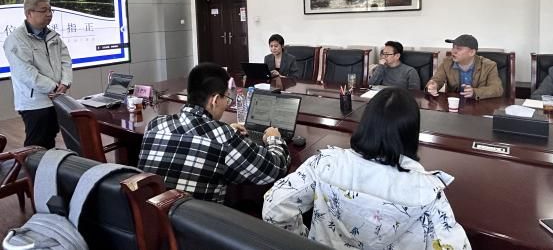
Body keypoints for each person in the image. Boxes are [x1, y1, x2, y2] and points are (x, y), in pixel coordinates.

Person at [262, 88, 470, 249]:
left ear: (365, 123)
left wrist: (303, 240)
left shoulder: (326, 163)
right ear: (411, 134)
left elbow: (274, 207)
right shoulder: (426, 190)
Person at [138, 62, 290, 203]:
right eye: (227, 98)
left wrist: (222, 130)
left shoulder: (155, 125)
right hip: (200, 222)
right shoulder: (225, 138)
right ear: (215, 100)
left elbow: (193, 136)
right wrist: (274, 139)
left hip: (152, 218)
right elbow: (275, 169)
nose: (227, 103)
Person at [3, 0, 72, 148]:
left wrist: (65, 82)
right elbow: (25, 73)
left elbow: (66, 60)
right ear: (29, 13)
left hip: (56, 97)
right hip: (35, 102)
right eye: (43, 10)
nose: (49, 14)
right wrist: (54, 87)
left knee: (50, 137)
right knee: (36, 143)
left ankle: (48, 163)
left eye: (50, 10)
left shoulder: (53, 36)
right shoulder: (16, 39)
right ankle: (31, 164)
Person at [426, 34, 503, 100]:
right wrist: (433, 86)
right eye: (453, 47)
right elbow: (436, 80)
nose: (453, 51)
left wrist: (474, 92)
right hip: (454, 105)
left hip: (480, 106)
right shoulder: (447, 63)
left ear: (472, 52)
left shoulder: (489, 65)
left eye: (459, 49)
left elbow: (497, 89)